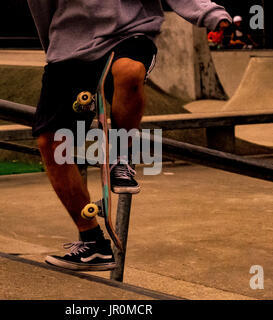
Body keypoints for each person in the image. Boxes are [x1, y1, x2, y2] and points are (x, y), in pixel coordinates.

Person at [27, 0, 231, 271]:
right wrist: (55, 48)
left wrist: (212, 15)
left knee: (129, 72)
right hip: (69, 46)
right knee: (49, 142)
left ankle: (121, 158)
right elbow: (41, 7)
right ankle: (93, 244)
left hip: (129, 35)